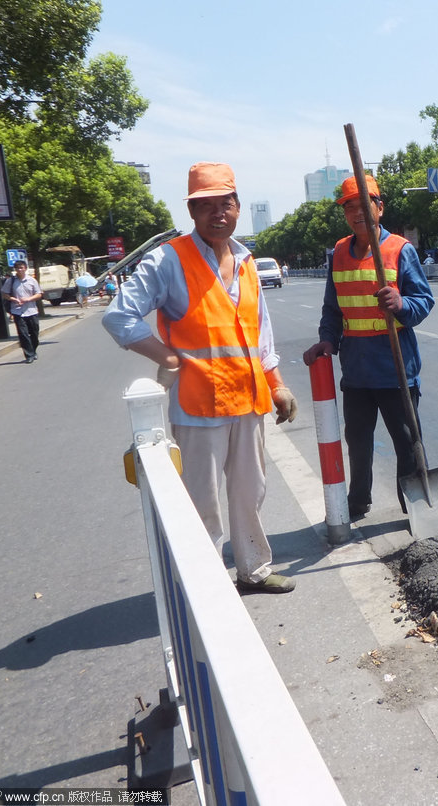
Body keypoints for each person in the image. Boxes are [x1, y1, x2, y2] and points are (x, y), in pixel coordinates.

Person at [102, 162, 299, 594]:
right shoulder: (168, 260)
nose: (217, 214)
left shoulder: (247, 261)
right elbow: (118, 317)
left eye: (224, 204)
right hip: (198, 405)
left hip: (247, 402)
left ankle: (253, 569)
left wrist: (277, 384)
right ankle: (207, 585)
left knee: (251, 492)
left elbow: (260, 334)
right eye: (204, 206)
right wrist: (165, 355)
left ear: (238, 206)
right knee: (202, 501)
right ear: (191, 211)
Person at [302, 174, 434, 521]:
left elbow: (424, 301)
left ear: (380, 207)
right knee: (358, 445)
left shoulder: (400, 250)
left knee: (408, 446)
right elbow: (332, 309)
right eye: (350, 207)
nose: (357, 213)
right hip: (357, 374)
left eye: (364, 205)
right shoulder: (339, 253)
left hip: (396, 372)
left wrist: (401, 303)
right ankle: (358, 501)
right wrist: (327, 340)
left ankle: (416, 511)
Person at [2, 260, 42, 363]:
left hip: (31, 310)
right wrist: (13, 299)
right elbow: (4, 294)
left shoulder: (32, 280)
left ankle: (33, 350)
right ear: (15, 269)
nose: (19, 270)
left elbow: (39, 294)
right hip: (17, 311)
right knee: (23, 334)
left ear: (25, 268)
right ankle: (29, 355)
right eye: (17, 268)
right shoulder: (10, 281)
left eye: (21, 267)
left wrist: (28, 299)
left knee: (34, 332)